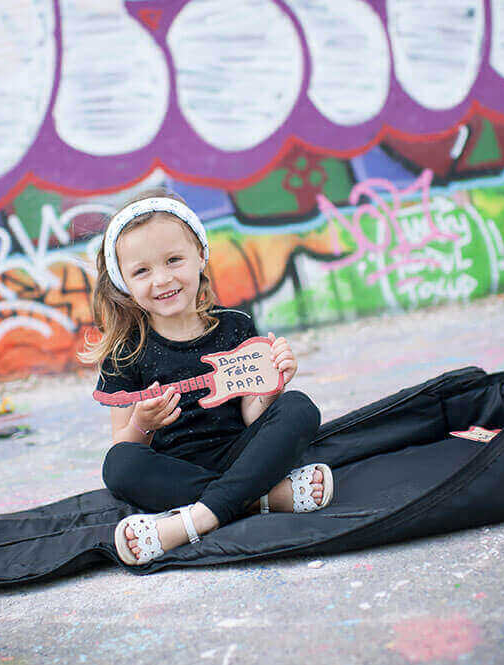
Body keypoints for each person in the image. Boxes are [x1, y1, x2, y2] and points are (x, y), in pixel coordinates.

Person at [78, 187, 334, 566]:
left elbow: (253, 416)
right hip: (174, 471)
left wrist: (273, 384)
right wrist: (143, 424)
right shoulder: (125, 353)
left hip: (240, 454)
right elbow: (125, 445)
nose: (162, 279)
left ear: (200, 255)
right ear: (124, 284)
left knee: (298, 408)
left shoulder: (235, 326)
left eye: (174, 260)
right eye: (142, 271)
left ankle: (194, 520)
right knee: (119, 467)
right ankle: (264, 498)